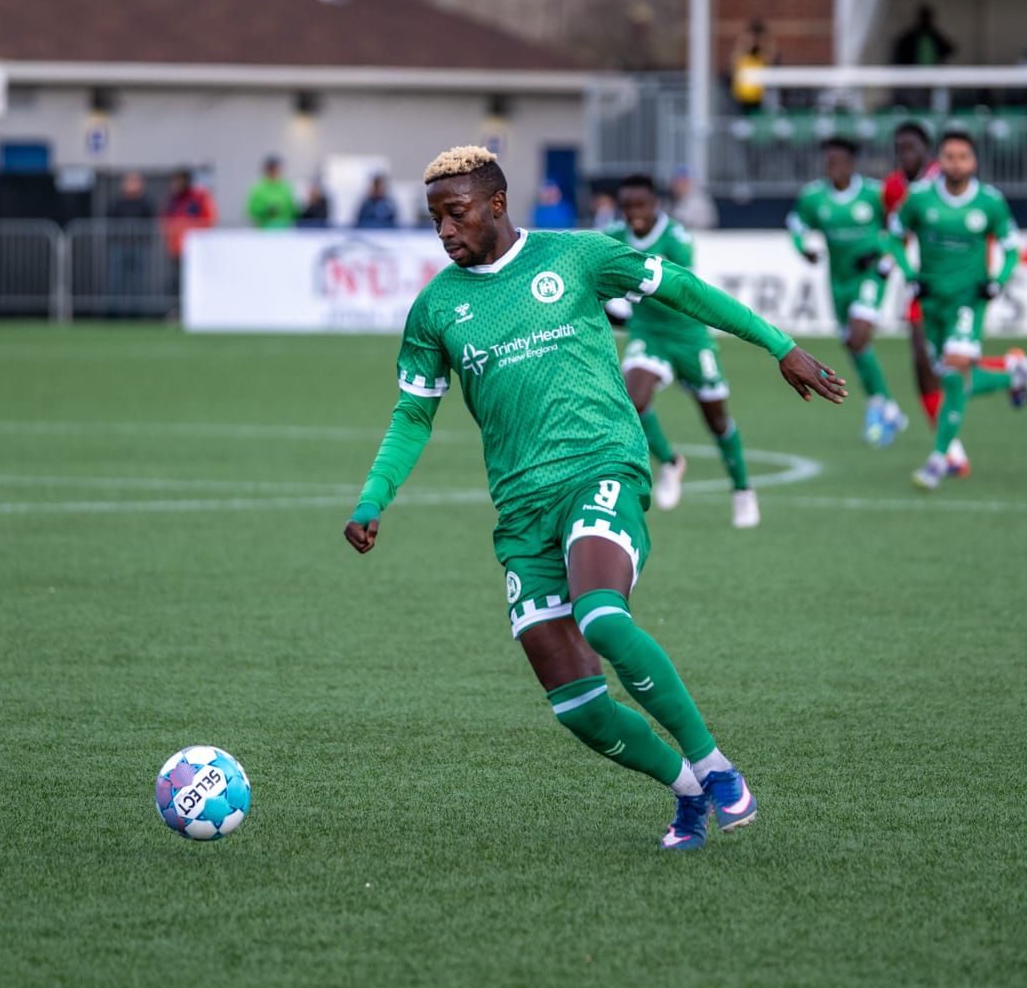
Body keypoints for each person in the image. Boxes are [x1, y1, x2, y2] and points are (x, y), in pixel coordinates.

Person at [343, 146, 846, 850]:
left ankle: (717, 768)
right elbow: (412, 415)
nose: (445, 231)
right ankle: (687, 790)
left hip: (600, 468)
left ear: (496, 203)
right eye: (435, 220)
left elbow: (681, 288)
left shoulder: (575, 256)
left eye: (456, 214)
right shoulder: (436, 309)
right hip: (522, 512)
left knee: (603, 617)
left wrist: (778, 344)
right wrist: (373, 498)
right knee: (576, 705)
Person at [603, 173, 761, 529]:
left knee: (716, 419)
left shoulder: (676, 238)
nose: (634, 213)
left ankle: (742, 489)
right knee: (632, 400)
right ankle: (670, 462)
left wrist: (624, 301)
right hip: (649, 333)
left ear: (656, 204)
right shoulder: (613, 235)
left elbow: (678, 289)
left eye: (640, 205)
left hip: (689, 336)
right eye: (627, 206)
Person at [890, 130, 1027, 491]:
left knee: (955, 373)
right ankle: (1012, 373)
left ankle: (938, 460)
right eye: (949, 156)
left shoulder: (989, 202)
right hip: (932, 302)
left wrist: (997, 281)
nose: (956, 163)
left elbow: (1012, 248)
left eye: (963, 157)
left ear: (974, 162)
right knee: (949, 376)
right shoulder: (920, 198)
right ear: (939, 160)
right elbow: (892, 237)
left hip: (968, 302)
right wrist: (909, 274)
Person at [787, 137, 908, 446]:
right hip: (838, 281)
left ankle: (878, 404)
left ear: (852, 164)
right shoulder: (815, 197)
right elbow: (796, 223)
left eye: (838, 162)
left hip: (869, 275)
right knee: (853, 346)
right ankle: (887, 405)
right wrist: (803, 248)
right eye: (829, 162)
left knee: (858, 336)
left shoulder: (873, 194)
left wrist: (885, 257)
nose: (833, 168)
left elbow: (899, 228)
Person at [880, 121, 963, 475]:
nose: (905, 154)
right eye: (900, 148)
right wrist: (889, 261)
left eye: (911, 147)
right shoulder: (893, 187)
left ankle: (1009, 370)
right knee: (923, 366)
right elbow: (894, 234)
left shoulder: (944, 182)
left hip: (953, 284)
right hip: (920, 286)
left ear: (926, 151)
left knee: (951, 364)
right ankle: (951, 450)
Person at [160, 170, 217, 301]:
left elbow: (209, 218)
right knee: (176, 279)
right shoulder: (172, 200)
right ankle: (176, 307)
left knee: (194, 280)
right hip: (176, 247)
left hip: (195, 249)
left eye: (179, 181)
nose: (175, 185)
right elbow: (164, 219)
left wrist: (195, 232)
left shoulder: (199, 198)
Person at [104, 172, 154, 315]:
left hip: (138, 246)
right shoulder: (117, 202)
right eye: (129, 181)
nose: (131, 185)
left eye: (134, 181)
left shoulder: (145, 203)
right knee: (116, 280)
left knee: (136, 281)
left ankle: (135, 312)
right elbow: (110, 221)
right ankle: (114, 311)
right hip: (119, 246)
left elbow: (150, 222)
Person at [731, 19, 776, 111]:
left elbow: (771, 56)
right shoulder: (742, 56)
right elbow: (734, 61)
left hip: (759, 98)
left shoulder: (762, 56)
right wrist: (746, 40)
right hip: (741, 98)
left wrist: (764, 39)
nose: (754, 41)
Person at [245, 156, 297, 229]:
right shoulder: (259, 189)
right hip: (264, 230)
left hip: (284, 230)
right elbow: (251, 210)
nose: (274, 172)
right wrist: (267, 210)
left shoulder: (287, 188)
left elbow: (294, 210)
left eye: (277, 169)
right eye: (272, 169)